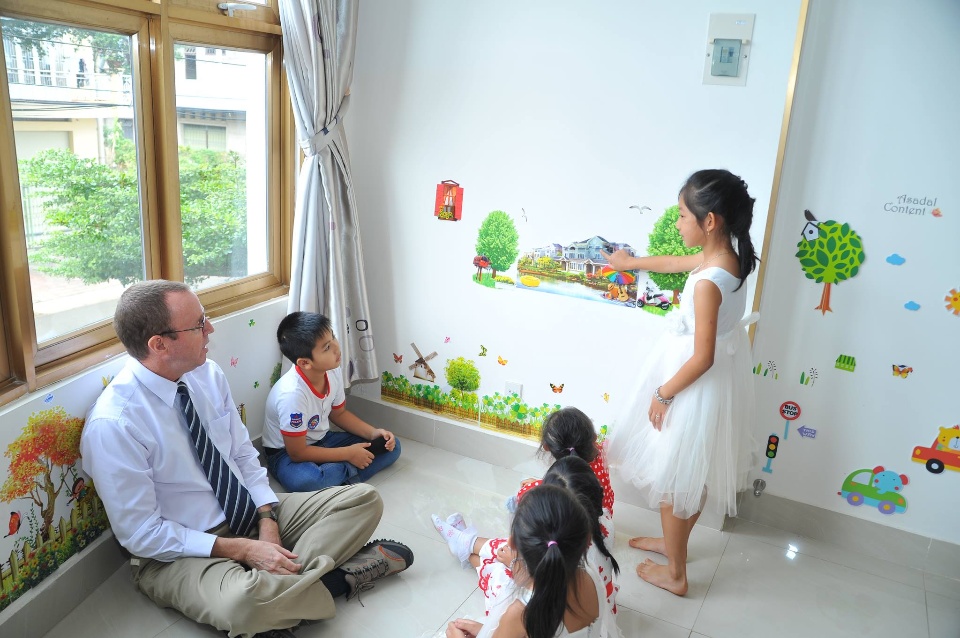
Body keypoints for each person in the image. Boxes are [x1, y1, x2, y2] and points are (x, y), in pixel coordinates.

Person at [81, 280, 413, 638]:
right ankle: (334, 581)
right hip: (184, 550)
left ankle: (279, 597)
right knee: (242, 604)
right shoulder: (114, 424)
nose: (210, 328)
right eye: (198, 324)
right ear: (159, 344)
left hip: (249, 512)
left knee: (364, 500)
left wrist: (267, 520)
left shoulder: (208, 374)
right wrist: (240, 549)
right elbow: (141, 535)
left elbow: (242, 454)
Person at [603, 168, 759, 596]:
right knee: (692, 471)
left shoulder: (709, 282)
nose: (677, 224)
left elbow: (703, 356)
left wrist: (663, 393)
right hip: (713, 386)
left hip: (691, 387)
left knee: (675, 479)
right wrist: (630, 263)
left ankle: (675, 574)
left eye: (682, 216)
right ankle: (675, 545)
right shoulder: (727, 259)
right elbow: (674, 263)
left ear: (709, 221)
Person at [432, 456, 620, 629]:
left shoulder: (522, 612)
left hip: (531, 594)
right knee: (504, 559)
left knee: (498, 571)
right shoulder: (590, 572)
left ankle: (466, 547)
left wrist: (483, 631)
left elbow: (537, 589)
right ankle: (465, 544)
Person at [263, 311, 401, 491]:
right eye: (327, 347)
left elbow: (339, 414)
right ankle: (348, 473)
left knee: (392, 447)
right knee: (306, 481)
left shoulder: (332, 370)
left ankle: (337, 478)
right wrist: (348, 454)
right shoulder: (292, 395)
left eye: (333, 337)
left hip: (322, 439)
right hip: (286, 454)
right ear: (305, 363)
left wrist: (373, 433)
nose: (337, 347)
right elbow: (297, 453)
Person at [510, 407, 614, 538]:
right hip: (604, 520)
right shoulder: (600, 450)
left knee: (523, 494)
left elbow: (559, 491)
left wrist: (535, 487)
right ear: (594, 438)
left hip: (580, 533)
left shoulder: (566, 481)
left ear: (547, 447)